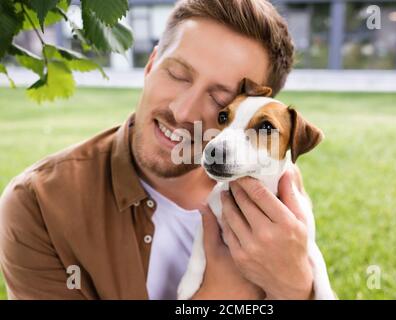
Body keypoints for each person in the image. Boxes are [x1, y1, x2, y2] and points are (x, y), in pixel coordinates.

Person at [0, 0, 320, 299]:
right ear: (151, 64)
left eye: (221, 101)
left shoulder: (280, 193)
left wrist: (297, 284)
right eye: (177, 74)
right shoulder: (37, 205)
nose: (183, 111)